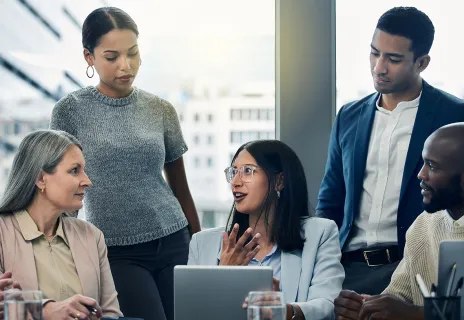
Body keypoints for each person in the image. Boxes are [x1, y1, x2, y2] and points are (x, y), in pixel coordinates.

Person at [316, 6, 464, 294]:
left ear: (422, 62)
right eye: (374, 53)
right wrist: (321, 271)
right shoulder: (349, 116)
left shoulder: (456, 113)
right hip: (347, 272)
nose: (378, 67)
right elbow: (330, 201)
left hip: (422, 270)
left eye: (393, 59)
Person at [49, 7, 200, 320]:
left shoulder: (161, 110)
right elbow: (64, 192)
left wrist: (201, 253)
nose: (125, 65)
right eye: (111, 56)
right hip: (114, 251)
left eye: (132, 53)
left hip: (174, 239)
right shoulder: (69, 111)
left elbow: (181, 190)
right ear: (89, 58)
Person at [334, 122, 464, 320]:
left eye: (432, 166)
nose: (421, 174)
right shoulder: (423, 225)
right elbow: (397, 298)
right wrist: (367, 308)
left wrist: (416, 315)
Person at [188, 140, 345, 320]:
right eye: (234, 172)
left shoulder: (321, 233)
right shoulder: (202, 244)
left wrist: (283, 310)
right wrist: (224, 277)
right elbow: (192, 313)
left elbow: (327, 305)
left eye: (248, 171)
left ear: (279, 181)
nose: (236, 182)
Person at [0, 130, 122, 320]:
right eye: (74, 170)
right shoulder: (2, 234)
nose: (87, 181)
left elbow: (111, 314)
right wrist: (45, 311)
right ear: (41, 179)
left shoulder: (92, 236)